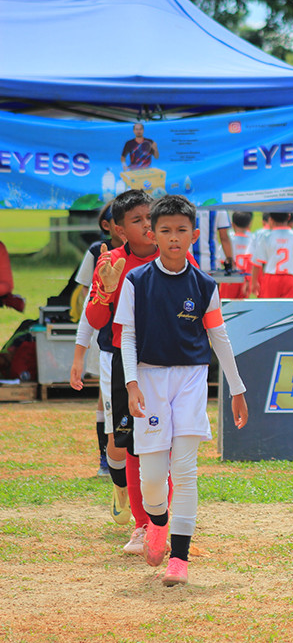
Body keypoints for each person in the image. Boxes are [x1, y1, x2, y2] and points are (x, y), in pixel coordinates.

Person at [116, 194, 248, 586]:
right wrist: (131, 383)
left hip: (191, 379)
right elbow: (127, 337)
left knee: (185, 472)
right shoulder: (136, 281)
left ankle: (181, 559)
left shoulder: (205, 285)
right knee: (154, 477)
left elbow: (219, 337)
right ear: (153, 234)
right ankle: (157, 522)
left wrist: (237, 389)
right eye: (165, 230)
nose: (174, 237)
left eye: (181, 230)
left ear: (194, 234)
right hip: (150, 379)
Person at [78, 190, 191, 556]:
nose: (147, 226)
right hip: (120, 363)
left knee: (165, 444)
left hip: (165, 361)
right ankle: (143, 526)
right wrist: (105, 292)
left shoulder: (174, 257)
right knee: (131, 446)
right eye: (137, 221)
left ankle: (163, 521)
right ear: (122, 231)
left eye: (149, 219)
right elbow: (95, 321)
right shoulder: (109, 262)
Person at [70, 203, 121, 476]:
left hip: (139, 343)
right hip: (106, 337)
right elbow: (88, 298)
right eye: (121, 220)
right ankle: (106, 457)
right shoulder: (96, 252)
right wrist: (80, 351)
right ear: (107, 225)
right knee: (106, 398)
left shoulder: (152, 252)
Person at [250, 212, 293, 299]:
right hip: (290, 277)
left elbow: (257, 263)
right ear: (289, 217)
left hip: (271, 277)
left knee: (270, 308)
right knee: (288, 309)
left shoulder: (266, 236)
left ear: (270, 219)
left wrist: (254, 282)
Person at [218, 211, 254, 300]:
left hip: (230, 278)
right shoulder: (252, 239)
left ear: (232, 224)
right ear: (249, 224)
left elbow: (222, 260)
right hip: (245, 279)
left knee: (225, 307)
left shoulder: (229, 240)